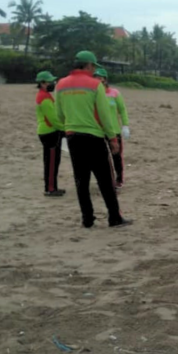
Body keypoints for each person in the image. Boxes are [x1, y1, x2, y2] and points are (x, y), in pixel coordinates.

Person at [55, 50, 130, 229]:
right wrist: (112, 138)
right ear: (88, 65)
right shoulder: (95, 85)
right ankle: (114, 217)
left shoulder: (61, 84)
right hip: (94, 137)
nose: (94, 70)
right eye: (93, 66)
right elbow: (104, 115)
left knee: (81, 180)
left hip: (73, 137)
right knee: (106, 180)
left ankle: (87, 219)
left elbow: (59, 114)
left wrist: (72, 124)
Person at [94, 68, 131, 189]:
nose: (97, 80)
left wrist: (125, 125)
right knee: (101, 158)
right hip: (99, 131)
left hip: (114, 131)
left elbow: (122, 110)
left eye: (99, 78)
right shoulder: (92, 94)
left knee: (116, 156)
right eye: (95, 77)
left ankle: (119, 179)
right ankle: (106, 180)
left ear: (105, 79)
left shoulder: (114, 93)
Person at [35, 70, 66, 197]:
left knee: (52, 161)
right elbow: (52, 119)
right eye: (50, 82)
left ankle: (52, 186)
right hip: (49, 132)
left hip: (48, 131)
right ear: (42, 83)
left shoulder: (44, 95)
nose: (53, 84)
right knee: (52, 162)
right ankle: (50, 188)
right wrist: (64, 129)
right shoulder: (44, 97)